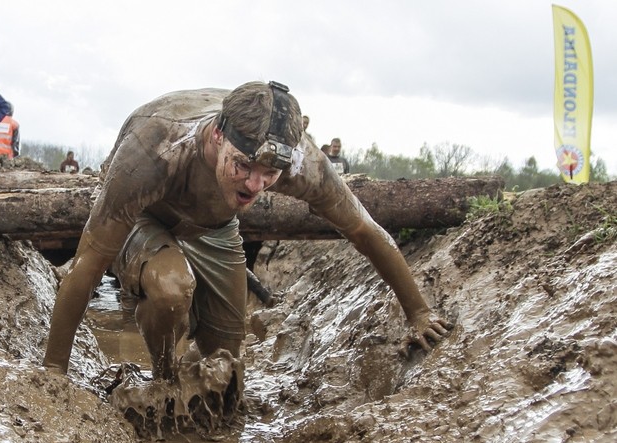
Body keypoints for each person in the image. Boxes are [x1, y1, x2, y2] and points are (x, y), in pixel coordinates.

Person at [42, 81, 450, 379]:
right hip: (146, 213)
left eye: (269, 173)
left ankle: (190, 357)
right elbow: (89, 262)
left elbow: (364, 230)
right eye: (242, 167)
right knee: (170, 288)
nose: (255, 186)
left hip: (213, 223)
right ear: (218, 136)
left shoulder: (302, 163)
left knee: (226, 367)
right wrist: (54, 372)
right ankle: (164, 381)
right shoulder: (154, 153)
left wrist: (419, 312)